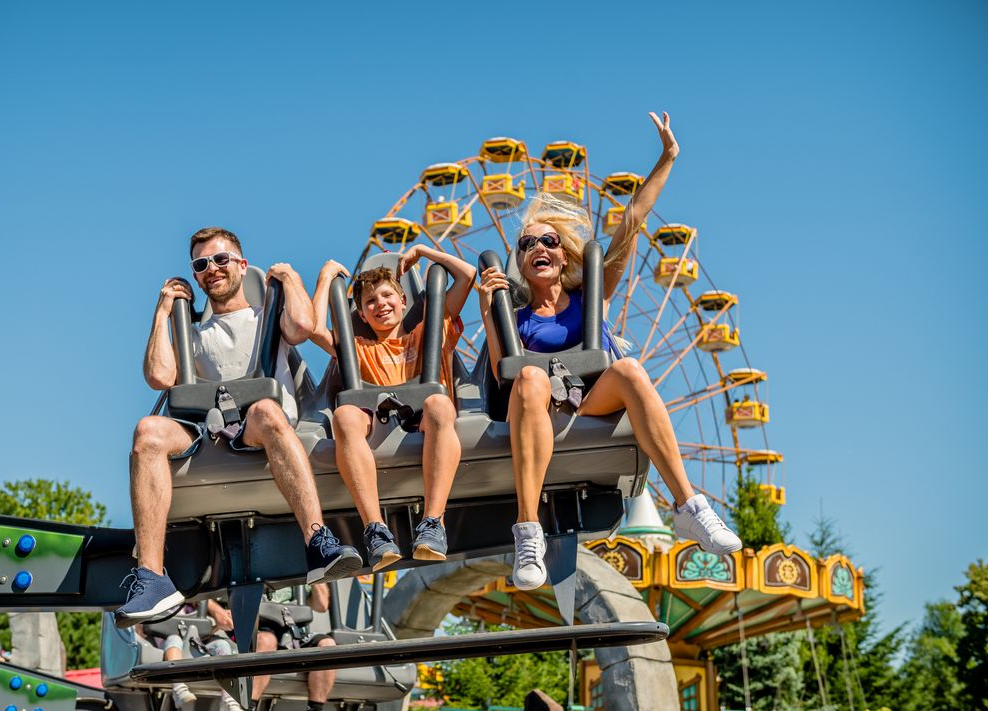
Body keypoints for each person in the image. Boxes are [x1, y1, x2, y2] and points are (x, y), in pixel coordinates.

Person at [477, 113, 741, 591]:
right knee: (532, 377)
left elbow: (632, 221)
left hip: (589, 398)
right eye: (526, 242)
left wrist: (667, 158)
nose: (537, 246)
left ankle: (688, 507)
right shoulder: (514, 315)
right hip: (539, 407)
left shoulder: (588, 296)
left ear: (563, 254)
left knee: (631, 368)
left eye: (548, 240)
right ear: (519, 258)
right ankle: (528, 529)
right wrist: (486, 302)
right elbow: (502, 371)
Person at [115, 227, 360, 628]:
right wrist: (162, 312)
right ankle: (152, 577)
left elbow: (302, 326)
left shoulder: (268, 316)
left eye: (221, 259)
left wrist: (290, 278)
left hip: (260, 424)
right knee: (147, 431)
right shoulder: (191, 333)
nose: (212, 268)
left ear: (242, 266)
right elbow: (160, 376)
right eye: (201, 264)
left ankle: (317, 540)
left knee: (264, 408)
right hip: (208, 431)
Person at [310, 245, 476, 569]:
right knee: (344, 415)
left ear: (403, 301)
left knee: (440, 405)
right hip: (377, 426)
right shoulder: (359, 347)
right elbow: (313, 329)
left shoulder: (429, 330)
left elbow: (467, 275)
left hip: (425, 420)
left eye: (387, 296)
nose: (380, 305)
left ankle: (433, 522)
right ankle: (375, 528)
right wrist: (326, 276)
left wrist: (425, 252)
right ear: (360, 315)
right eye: (370, 302)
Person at [233, 584, 340, 711]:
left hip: (292, 631)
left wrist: (316, 575)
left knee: (327, 645)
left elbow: (321, 605)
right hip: (259, 628)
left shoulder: (298, 570)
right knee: (267, 641)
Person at [158, 599, 245, 711]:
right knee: (174, 639)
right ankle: (178, 689)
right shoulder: (160, 604)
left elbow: (202, 633)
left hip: (194, 645)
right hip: (167, 642)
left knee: (222, 645)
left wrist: (217, 627)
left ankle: (228, 698)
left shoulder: (195, 607)